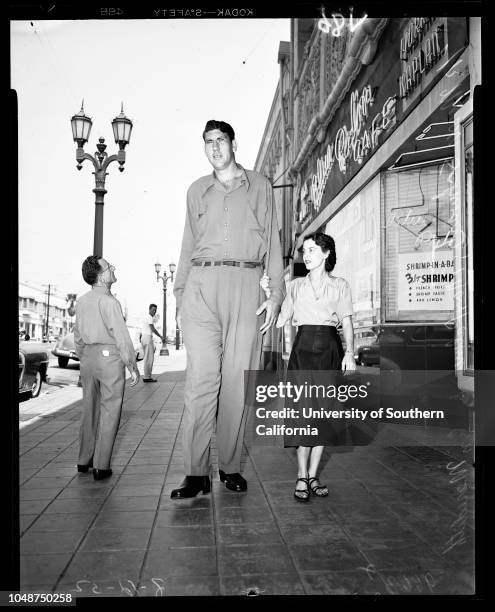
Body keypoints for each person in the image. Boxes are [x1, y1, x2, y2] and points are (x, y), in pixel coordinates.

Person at [171, 119, 284, 498]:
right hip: (201, 288)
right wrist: (180, 295)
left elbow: (273, 241)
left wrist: (275, 295)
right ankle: (196, 473)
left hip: (246, 285)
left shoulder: (261, 187)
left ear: (234, 143)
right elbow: (187, 246)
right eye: (208, 142)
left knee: (237, 383)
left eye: (220, 140)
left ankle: (229, 467)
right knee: (200, 383)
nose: (214, 147)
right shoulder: (196, 191)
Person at [276, 232, 356, 502]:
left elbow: (346, 323)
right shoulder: (295, 286)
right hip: (303, 351)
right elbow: (281, 319)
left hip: (330, 350)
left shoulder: (341, 285)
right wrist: (267, 293)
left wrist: (350, 353)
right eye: (304, 251)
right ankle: (301, 475)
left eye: (311, 250)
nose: (305, 255)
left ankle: (312, 476)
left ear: (326, 253)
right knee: (302, 416)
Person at [74, 255, 140, 481]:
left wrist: (84, 358)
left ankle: (84, 460)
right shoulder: (110, 302)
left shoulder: (82, 301)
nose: (113, 268)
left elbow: (77, 336)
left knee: (89, 409)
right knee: (110, 410)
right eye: (108, 267)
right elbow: (121, 337)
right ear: (101, 277)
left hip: (88, 359)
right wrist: (132, 365)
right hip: (109, 358)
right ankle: (102, 466)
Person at [140, 303, 163, 382]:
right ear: (149, 309)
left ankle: (147, 376)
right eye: (153, 310)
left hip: (144, 337)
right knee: (149, 358)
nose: (154, 312)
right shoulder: (149, 317)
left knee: (147, 358)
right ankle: (147, 377)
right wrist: (161, 336)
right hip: (147, 338)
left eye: (155, 310)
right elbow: (152, 329)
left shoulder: (145, 317)